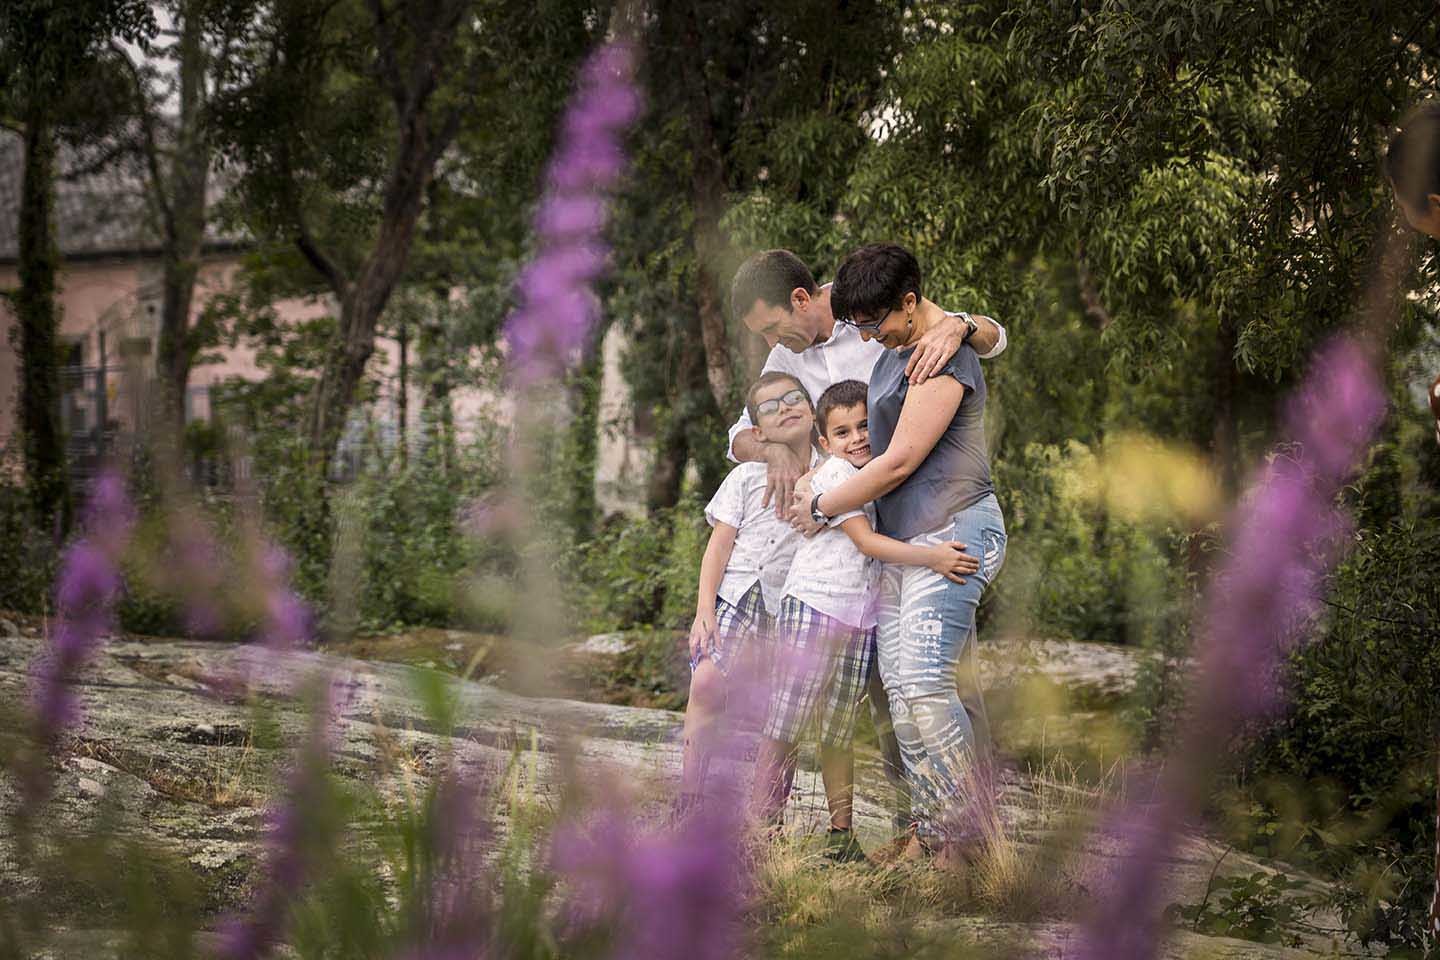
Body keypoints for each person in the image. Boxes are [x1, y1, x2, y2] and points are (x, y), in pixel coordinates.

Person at [727, 248, 1006, 839]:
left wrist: (962, 324)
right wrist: (776, 447)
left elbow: (983, 336)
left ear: (801, 301)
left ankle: (966, 824)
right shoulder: (786, 358)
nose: (773, 341)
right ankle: (920, 828)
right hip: (849, 551)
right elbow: (742, 432)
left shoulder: (875, 314)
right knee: (890, 692)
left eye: (774, 325)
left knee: (938, 679)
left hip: (917, 517)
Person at [751, 380, 980, 863]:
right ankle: (762, 825)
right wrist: (932, 557)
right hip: (813, 607)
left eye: (863, 426)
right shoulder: (836, 478)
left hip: (857, 620)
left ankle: (841, 835)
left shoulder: (874, 477)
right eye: (842, 432)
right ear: (824, 442)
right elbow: (867, 543)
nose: (856, 438)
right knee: (785, 722)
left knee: (838, 729)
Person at [679, 372, 821, 813]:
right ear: (757, 432)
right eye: (772, 406)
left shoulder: (830, 475)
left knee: (781, 713)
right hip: (739, 594)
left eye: (795, 398)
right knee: (705, 683)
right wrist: (704, 608)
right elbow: (719, 546)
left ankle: (769, 815)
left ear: (813, 412)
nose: (787, 407)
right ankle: (689, 798)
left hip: (794, 605)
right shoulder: (745, 478)